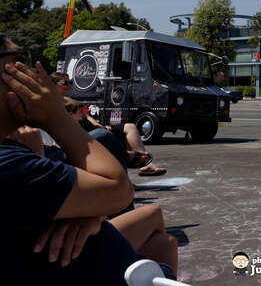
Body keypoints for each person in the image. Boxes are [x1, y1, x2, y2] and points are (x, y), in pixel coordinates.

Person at [0, 33, 177, 284]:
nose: (32, 72)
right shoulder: (9, 164)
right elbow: (117, 190)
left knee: (163, 241)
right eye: (19, 61)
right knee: (157, 225)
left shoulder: (15, 149)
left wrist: (91, 214)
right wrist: (56, 118)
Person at [52, 72, 166, 176]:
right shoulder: (54, 103)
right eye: (65, 83)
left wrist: (98, 125)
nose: (69, 85)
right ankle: (128, 163)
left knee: (130, 127)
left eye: (70, 82)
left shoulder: (69, 99)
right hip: (82, 134)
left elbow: (87, 116)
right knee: (107, 137)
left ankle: (145, 163)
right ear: (53, 84)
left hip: (92, 129)